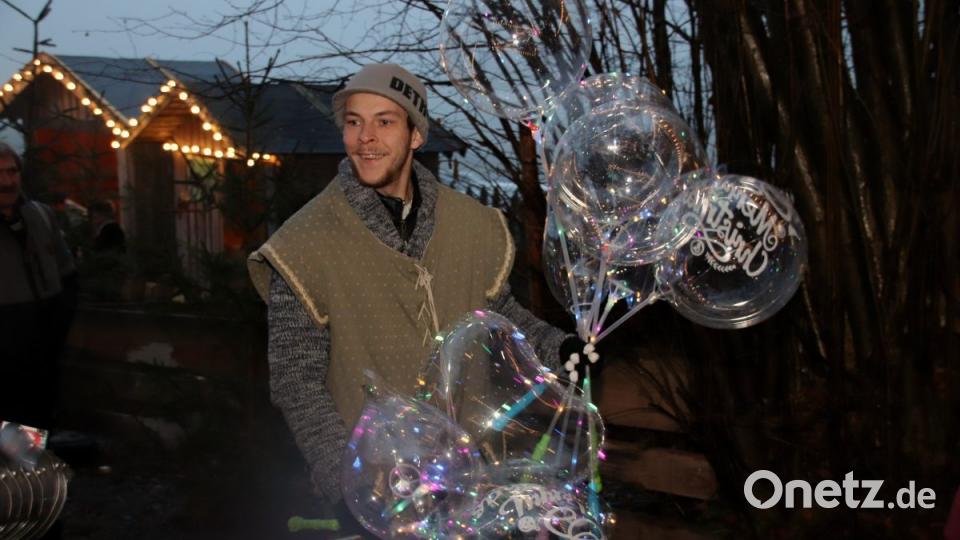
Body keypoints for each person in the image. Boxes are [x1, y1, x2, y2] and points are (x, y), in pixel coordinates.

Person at [247, 65, 597, 521]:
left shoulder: (472, 224)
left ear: (416, 135)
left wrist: (559, 350)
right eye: (354, 122)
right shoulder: (304, 245)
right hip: (386, 492)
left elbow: (499, 316)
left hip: (478, 485)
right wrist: (348, 486)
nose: (365, 138)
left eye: (384, 121)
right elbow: (297, 382)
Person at [0, 141, 77, 431]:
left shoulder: (41, 216)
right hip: (6, 344)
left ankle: (31, 460)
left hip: (43, 345)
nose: (7, 181)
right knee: (10, 428)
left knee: (37, 422)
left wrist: (60, 319)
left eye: (12, 172)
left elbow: (67, 272)